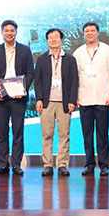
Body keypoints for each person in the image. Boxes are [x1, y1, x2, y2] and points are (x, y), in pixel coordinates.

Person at [0, 20, 34, 176]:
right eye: (6, 30)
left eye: (12, 30)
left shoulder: (25, 50)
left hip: (18, 97)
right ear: (2, 32)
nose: (9, 33)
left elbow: (30, 73)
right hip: (0, 96)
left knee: (18, 131)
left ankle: (16, 164)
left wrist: (23, 89)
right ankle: (2, 164)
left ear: (16, 32)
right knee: (2, 132)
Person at [73, 22, 109, 177]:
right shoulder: (78, 53)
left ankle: (104, 165)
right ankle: (89, 164)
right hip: (84, 99)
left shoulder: (108, 50)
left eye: (93, 30)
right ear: (83, 34)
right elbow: (74, 77)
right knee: (87, 134)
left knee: (102, 134)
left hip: (102, 98)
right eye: (87, 31)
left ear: (98, 32)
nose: (90, 33)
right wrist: (75, 97)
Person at [34, 28, 78, 177]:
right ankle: (47, 164)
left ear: (61, 39)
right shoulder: (41, 59)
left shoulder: (70, 59)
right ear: (47, 40)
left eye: (56, 37)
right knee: (47, 134)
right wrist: (39, 99)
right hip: (47, 102)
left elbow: (74, 81)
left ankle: (62, 165)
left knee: (64, 135)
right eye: (51, 37)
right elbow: (37, 80)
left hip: (64, 102)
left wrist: (72, 100)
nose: (53, 39)